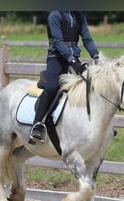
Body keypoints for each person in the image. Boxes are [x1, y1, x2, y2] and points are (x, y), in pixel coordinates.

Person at [29, 11, 100, 142]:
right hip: (56, 58)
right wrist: (72, 61)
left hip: (74, 59)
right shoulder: (54, 15)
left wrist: (96, 56)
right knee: (52, 87)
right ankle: (37, 124)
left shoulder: (80, 16)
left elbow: (87, 38)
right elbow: (58, 41)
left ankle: (100, 125)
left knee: (92, 86)